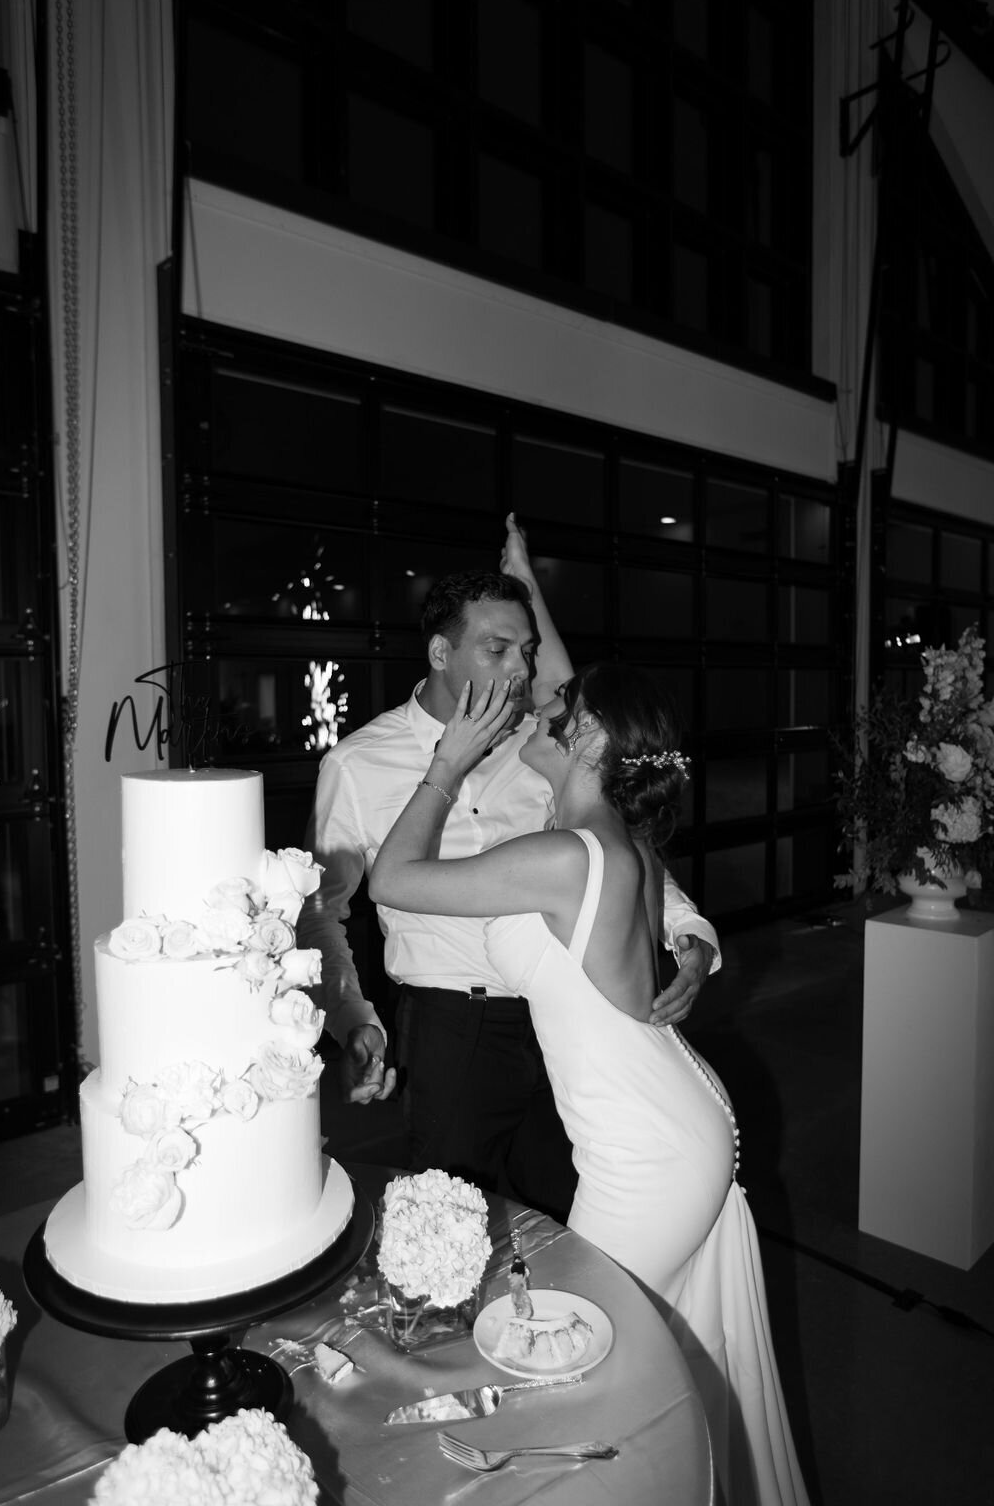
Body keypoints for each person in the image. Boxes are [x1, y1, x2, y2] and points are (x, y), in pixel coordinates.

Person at [369, 666, 810, 1506]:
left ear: (593, 738)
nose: (534, 714)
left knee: (573, 1369)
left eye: (554, 712)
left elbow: (392, 881)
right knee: (627, 1358)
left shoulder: (567, 856)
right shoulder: (616, 842)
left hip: (646, 1154)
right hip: (672, 1121)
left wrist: (445, 767)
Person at [296, 517, 720, 1220]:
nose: (521, 671)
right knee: (453, 1232)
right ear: (440, 651)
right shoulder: (356, 764)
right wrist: (351, 1020)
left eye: (526, 651)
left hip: (563, 1021)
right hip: (451, 1031)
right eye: (497, 649)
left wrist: (688, 929)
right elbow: (323, 913)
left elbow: (615, 850)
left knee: (571, 1227)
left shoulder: (546, 743)